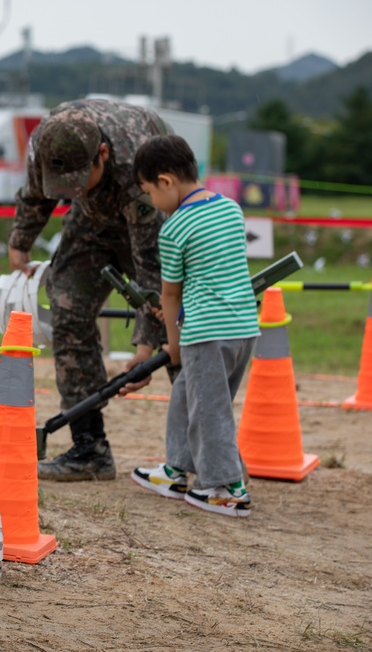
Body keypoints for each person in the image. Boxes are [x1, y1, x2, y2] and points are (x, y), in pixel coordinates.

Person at [8, 98, 171, 481]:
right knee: (67, 310)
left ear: (102, 155)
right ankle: (89, 449)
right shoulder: (48, 142)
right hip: (91, 224)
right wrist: (21, 242)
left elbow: (153, 274)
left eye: (79, 182)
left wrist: (145, 348)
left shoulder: (138, 170)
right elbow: (34, 193)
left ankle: (206, 451)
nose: (72, 191)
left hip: (151, 224)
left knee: (178, 325)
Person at [129, 134, 258, 517]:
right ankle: (177, 469)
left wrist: (174, 344)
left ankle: (227, 488)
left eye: (150, 192)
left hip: (206, 333)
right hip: (243, 327)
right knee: (189, 396)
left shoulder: (173, 229)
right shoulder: (231, 209)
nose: (152, 202)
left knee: (210, 410)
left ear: (166, 181)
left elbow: (170, 295)